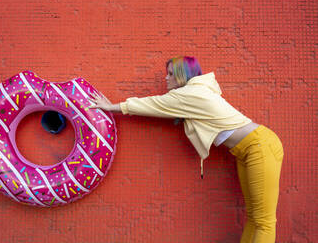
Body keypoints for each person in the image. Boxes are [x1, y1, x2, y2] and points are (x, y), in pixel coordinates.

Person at [88, 56, 284, 243]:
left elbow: (151, 104)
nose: (166, 78)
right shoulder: (194, 93)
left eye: (171, 74)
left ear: (183, 76)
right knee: (254, 217)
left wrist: (111, 107)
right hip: (248, 149)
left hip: (259, 146)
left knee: (264, 222)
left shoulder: (190, 94)